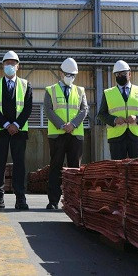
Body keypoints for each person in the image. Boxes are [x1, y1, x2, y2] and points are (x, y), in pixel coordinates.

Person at [0, 51, 33, 210]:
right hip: (0, 130)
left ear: (18, 66)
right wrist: (6, 124)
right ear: (2, 66)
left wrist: (16, 125)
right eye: (7, 63)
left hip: (19, 132)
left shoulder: (26, 85)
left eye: (13, 63)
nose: (10, 66)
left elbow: (28, 108)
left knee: (19, 165)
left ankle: (20, 198)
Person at [44, 58, 88, 210]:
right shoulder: (50, 90)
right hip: (57, 134)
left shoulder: (80, 90)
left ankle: (73, 201)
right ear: (60, 73)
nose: (70, 77)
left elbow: (84, 110)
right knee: (55, 167)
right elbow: (48, 110)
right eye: (68, 74)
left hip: (75, 135)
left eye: (73, 75)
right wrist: (62, 125)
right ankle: (53, 201)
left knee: (74, 169)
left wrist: (73, 124)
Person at [97, 60, 138, 160]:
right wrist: (114, 120)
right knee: (118, 170)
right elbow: (101, 114)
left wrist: (137, 118)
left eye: (123, 73)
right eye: (117, 74)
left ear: (129, 74)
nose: (120, 76)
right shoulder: (108, 93)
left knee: (137, 168)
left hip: (136, 137)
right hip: (116, 138)